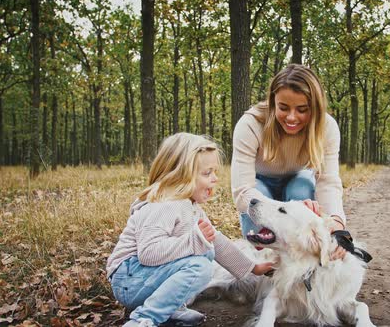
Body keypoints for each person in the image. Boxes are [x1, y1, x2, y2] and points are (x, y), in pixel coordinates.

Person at [106, 133, 274, 327]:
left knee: (205, 252)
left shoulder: (191, 207)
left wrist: (254, 268)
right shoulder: (163, 206)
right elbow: (148, 253)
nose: (215, 179)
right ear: (180, 175)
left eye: (215, 172)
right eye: (206, 173)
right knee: (200, 265)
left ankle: (168, 308)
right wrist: (195, 241)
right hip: (129, 278)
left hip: (144, 277)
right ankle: (144, 318)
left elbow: (216, 242)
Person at [231, 64, 347, 260]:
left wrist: (336, 223)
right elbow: (243, 190)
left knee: (301, 189)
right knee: (256, 209)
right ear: (273, 102)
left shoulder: (327, 127)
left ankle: (300, 262)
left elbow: (328, 181)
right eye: (283, 108)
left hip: (298, 179)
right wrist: (277, 214)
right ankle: (266, 264)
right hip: (258, 183)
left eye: (302, 109)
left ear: (315, 108)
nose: (292, 117)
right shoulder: (250, 124)